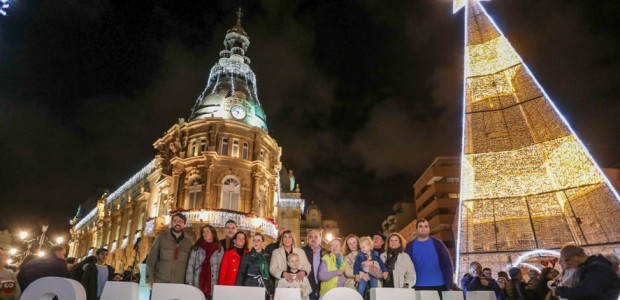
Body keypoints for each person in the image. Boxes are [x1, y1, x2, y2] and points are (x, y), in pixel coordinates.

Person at [551, 245, 620, 300]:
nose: (567, 263)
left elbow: (586, 291)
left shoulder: (596, 268)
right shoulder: (586, 267)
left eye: (567, 260)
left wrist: (560, 291)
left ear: (576, 256)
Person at [404, 219, 454, 292]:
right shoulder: (409, 246)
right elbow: (405, 266)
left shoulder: (437, 243)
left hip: (439, 285)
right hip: (417, 286)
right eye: (420, 226)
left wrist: (450, 283)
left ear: (429, 229)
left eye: (426, 226)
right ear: (417, 229)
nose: (423, 228)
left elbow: (447, 263)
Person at [146, 212, 193, 284]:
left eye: (181, 222)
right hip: (160, 281)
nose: (178, 223)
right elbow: (151, 260)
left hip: (179, 284)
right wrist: (150, 280)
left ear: (184, 225)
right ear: (172, 223)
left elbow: (190, 264)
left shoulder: (188, 242)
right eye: (176, 221)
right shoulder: (161, 238)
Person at [185, 225, 224, 299]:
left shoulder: (219, 248)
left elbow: (221, 267)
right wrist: (189, 282)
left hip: (213, 282)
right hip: (197, 281)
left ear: (213, 233)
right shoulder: (196, 247)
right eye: (203, 232)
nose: (205, 233)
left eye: (207, 231)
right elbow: (190, 265)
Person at [236, 233, 273, 298]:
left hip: (264, 289)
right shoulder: (247, 256)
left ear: (263, 243)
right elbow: (241, 274)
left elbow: (270, 275)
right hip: (249, 288)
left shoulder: (268, 256)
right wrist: (239, 289)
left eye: (258, 240)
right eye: (254, 240)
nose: (255, 242)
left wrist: (271, 291)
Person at [302, 230, 325, 300]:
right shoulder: (301, 251)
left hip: (322, 287)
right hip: (307, 288)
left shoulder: (325, 253)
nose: (313, 239)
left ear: (320, 240)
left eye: (316, 237)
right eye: (311, 237)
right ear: (307, 239)